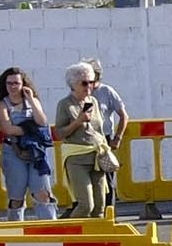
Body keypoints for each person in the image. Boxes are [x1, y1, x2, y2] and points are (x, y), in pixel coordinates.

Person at [52, 60, 127, 219]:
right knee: (86, 205)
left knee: (100, 206)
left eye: (91, 82)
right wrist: (78, 121)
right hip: (77, 159)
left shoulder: (93, 102)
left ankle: (95, 234)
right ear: (73, 85)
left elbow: (99, 129)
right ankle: (70, 231)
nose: (89, 87)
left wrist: (106, 148)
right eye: (84, 83)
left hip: (96, 157)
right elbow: (59, 133)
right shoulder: (65, 104)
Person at [0, 66, 56, 220]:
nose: (12, 87)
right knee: (17, 195)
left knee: (42, 192)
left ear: (23, 84)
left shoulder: (32, 101)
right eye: (9, 83)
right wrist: (31, 129)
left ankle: (50, 226)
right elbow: (8, 129)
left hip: (36, 152)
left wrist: (31, 99)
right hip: (14, 150)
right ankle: (16, 226)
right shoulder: (2, 105)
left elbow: (42, 121)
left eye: (16, 83)